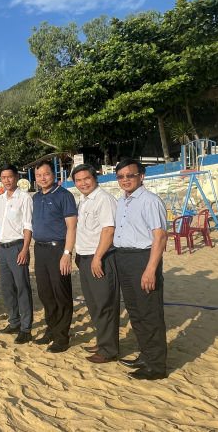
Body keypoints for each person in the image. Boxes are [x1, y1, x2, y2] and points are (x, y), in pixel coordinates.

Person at [113, 159, 168, 380]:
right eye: (121, 176)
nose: (125, 179)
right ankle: (146, 355)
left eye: (130, 175)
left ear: (141, 176)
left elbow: (160, 236)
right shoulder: (122, 201)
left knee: (150, 313)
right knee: (135, 312)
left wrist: (150, 269)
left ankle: (157, 366)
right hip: (123, 258)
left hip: (143, 259)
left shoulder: (150, 201)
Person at [73, 164, 120, 364]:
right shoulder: (83, 201)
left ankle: (109, 349)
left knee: (105, 305)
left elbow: (108, 231)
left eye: (86, 178)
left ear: (95, 178)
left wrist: (97, 258)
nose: (83, 183)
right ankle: (103, 342)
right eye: (78, 180)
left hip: (100, 258)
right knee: (93, 304)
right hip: (84, 258)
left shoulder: (104, 200)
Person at [31, 161, 78, 353]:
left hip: (58, 248)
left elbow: (72, 227)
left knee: (61, 294)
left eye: (46, 174)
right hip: (40, 249)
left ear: (54, 175)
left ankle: (61, 337)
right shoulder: (35, 198)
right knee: (45, 293)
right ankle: (51, 329)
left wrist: (67, 254)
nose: (42, 178)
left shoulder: (64, 196)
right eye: (39, 175)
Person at [0, 165, 34, 345]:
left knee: (22, 287)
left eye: (10, 177)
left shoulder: (24, 198)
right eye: (3, 177)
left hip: (17, 247)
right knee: (7, 288)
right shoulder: (0, 199)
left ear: (17, 177)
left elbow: (28, 225)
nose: (7, 180)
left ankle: (26, 328)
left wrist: (25, 249)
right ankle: (14, 322)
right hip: (1, 247)